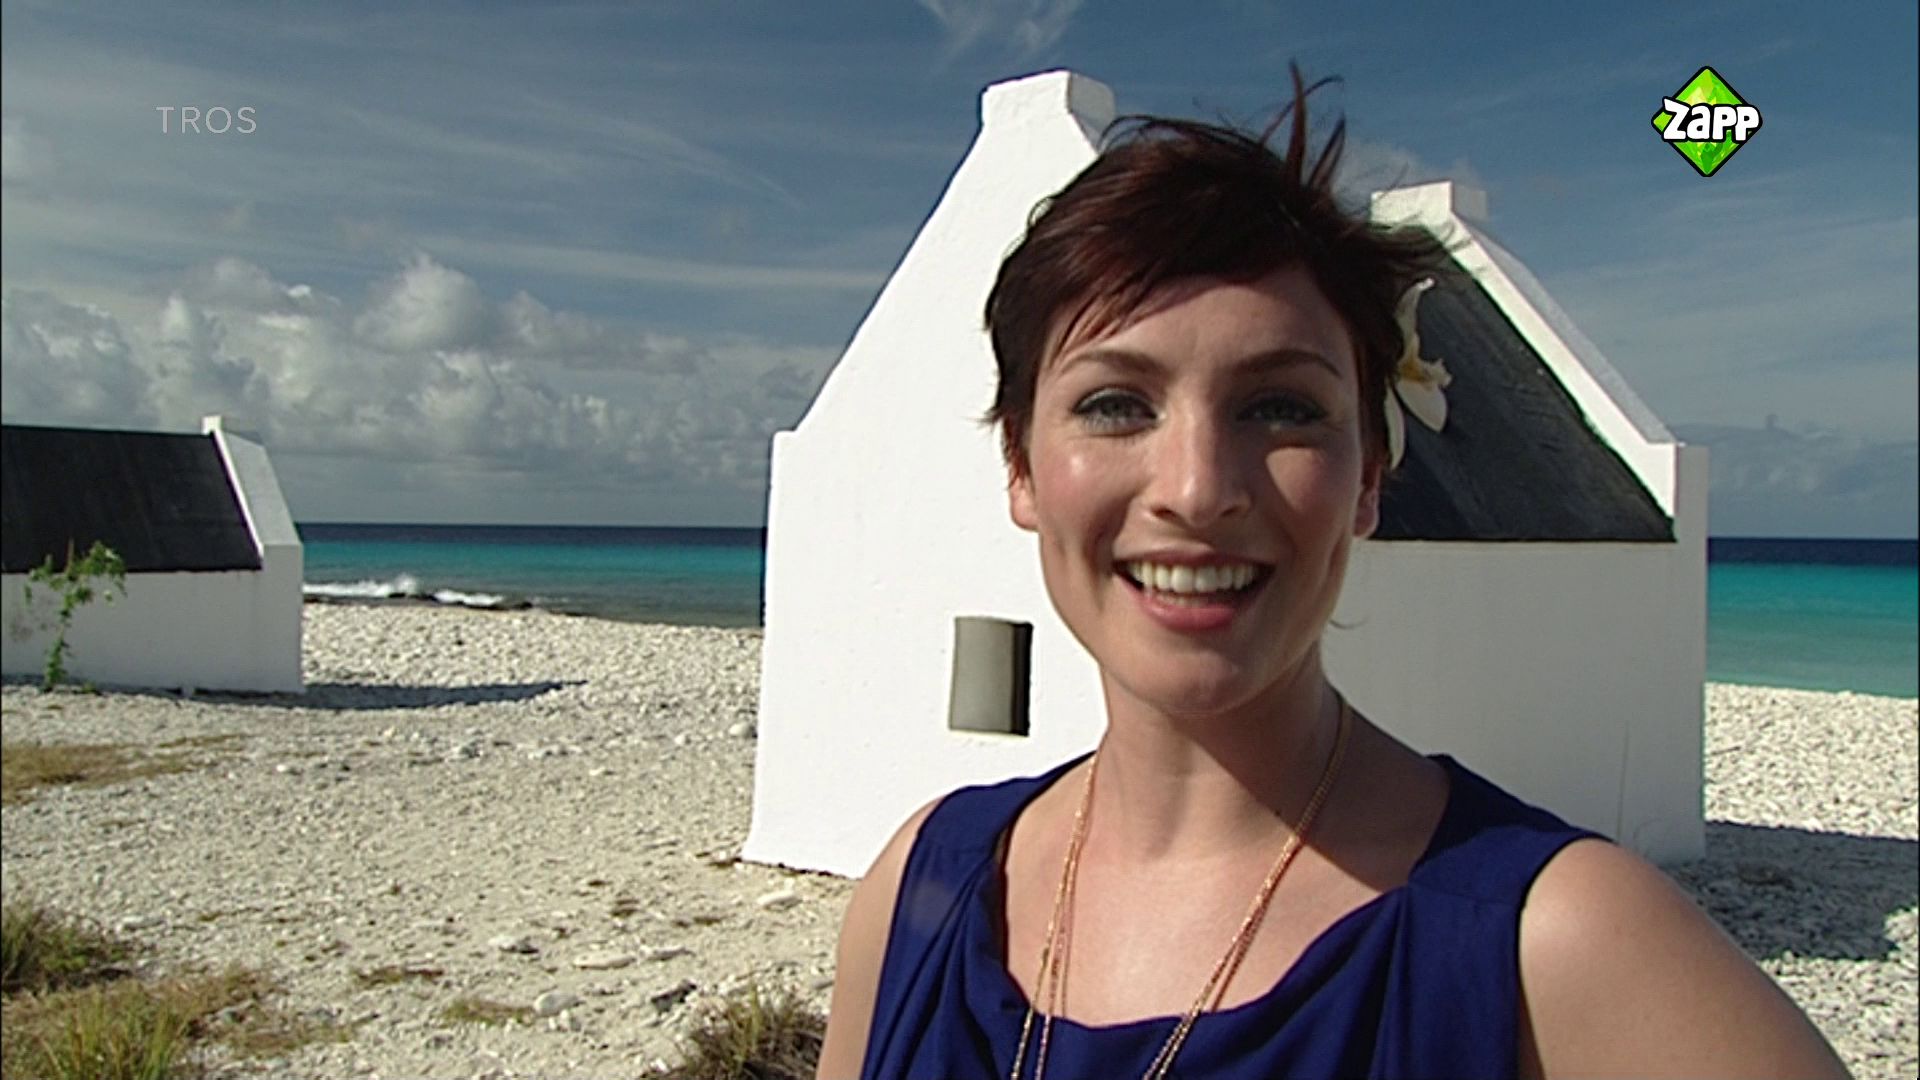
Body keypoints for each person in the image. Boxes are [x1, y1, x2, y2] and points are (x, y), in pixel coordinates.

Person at [815, 69, 1848, 1080]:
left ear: (1369, 480)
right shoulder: (919, 891)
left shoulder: (1560, 944)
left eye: (1281, 408)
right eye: (1116, 405)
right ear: (1021, 468)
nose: (1197, 489)